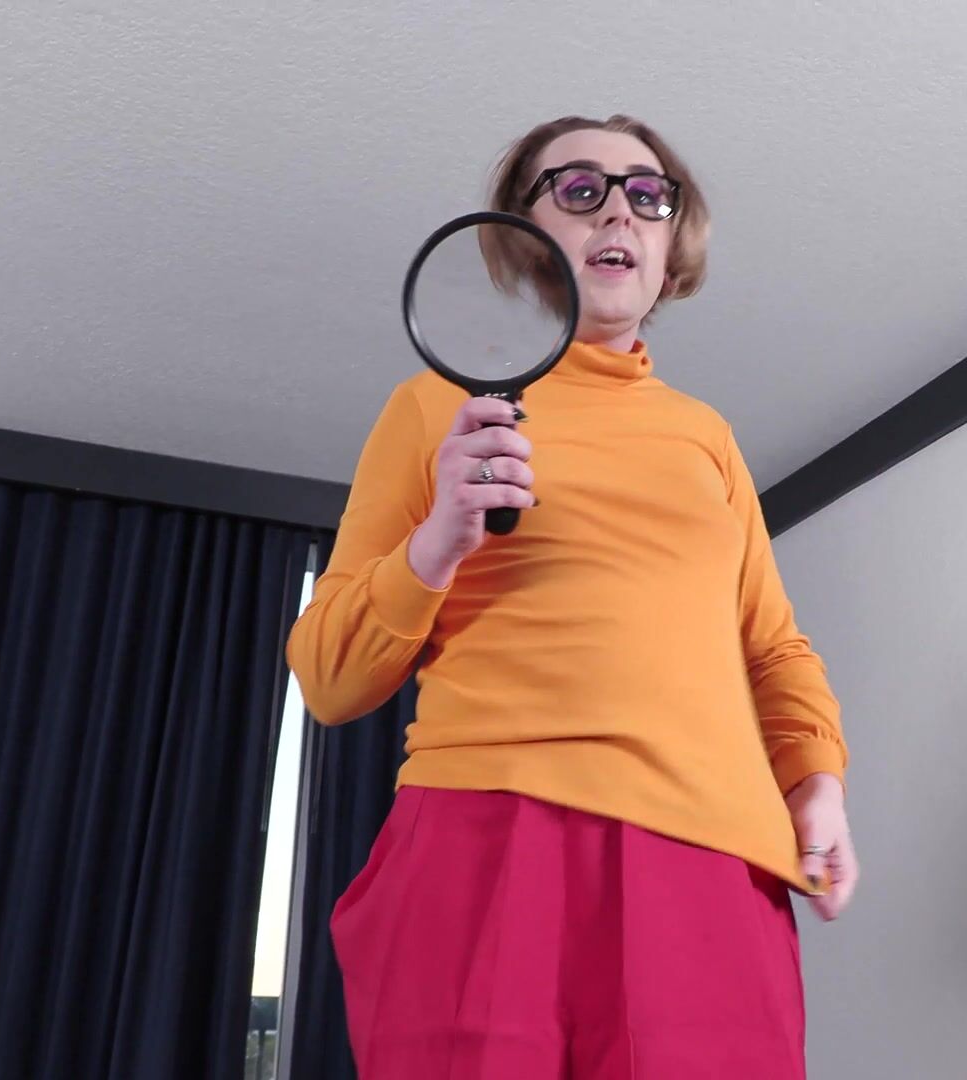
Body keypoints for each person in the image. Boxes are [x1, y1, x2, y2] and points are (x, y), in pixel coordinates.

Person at [286, 113, 857, 1079]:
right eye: (581, 189)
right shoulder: (431, 409)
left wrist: (816, 784)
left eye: (647, 194)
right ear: (524, 233)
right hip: (486, 833)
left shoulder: (707, 437)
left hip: (713, 851)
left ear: (670, 242)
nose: (618, 213)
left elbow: (773, 648)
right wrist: (438, 540)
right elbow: (330, 678)